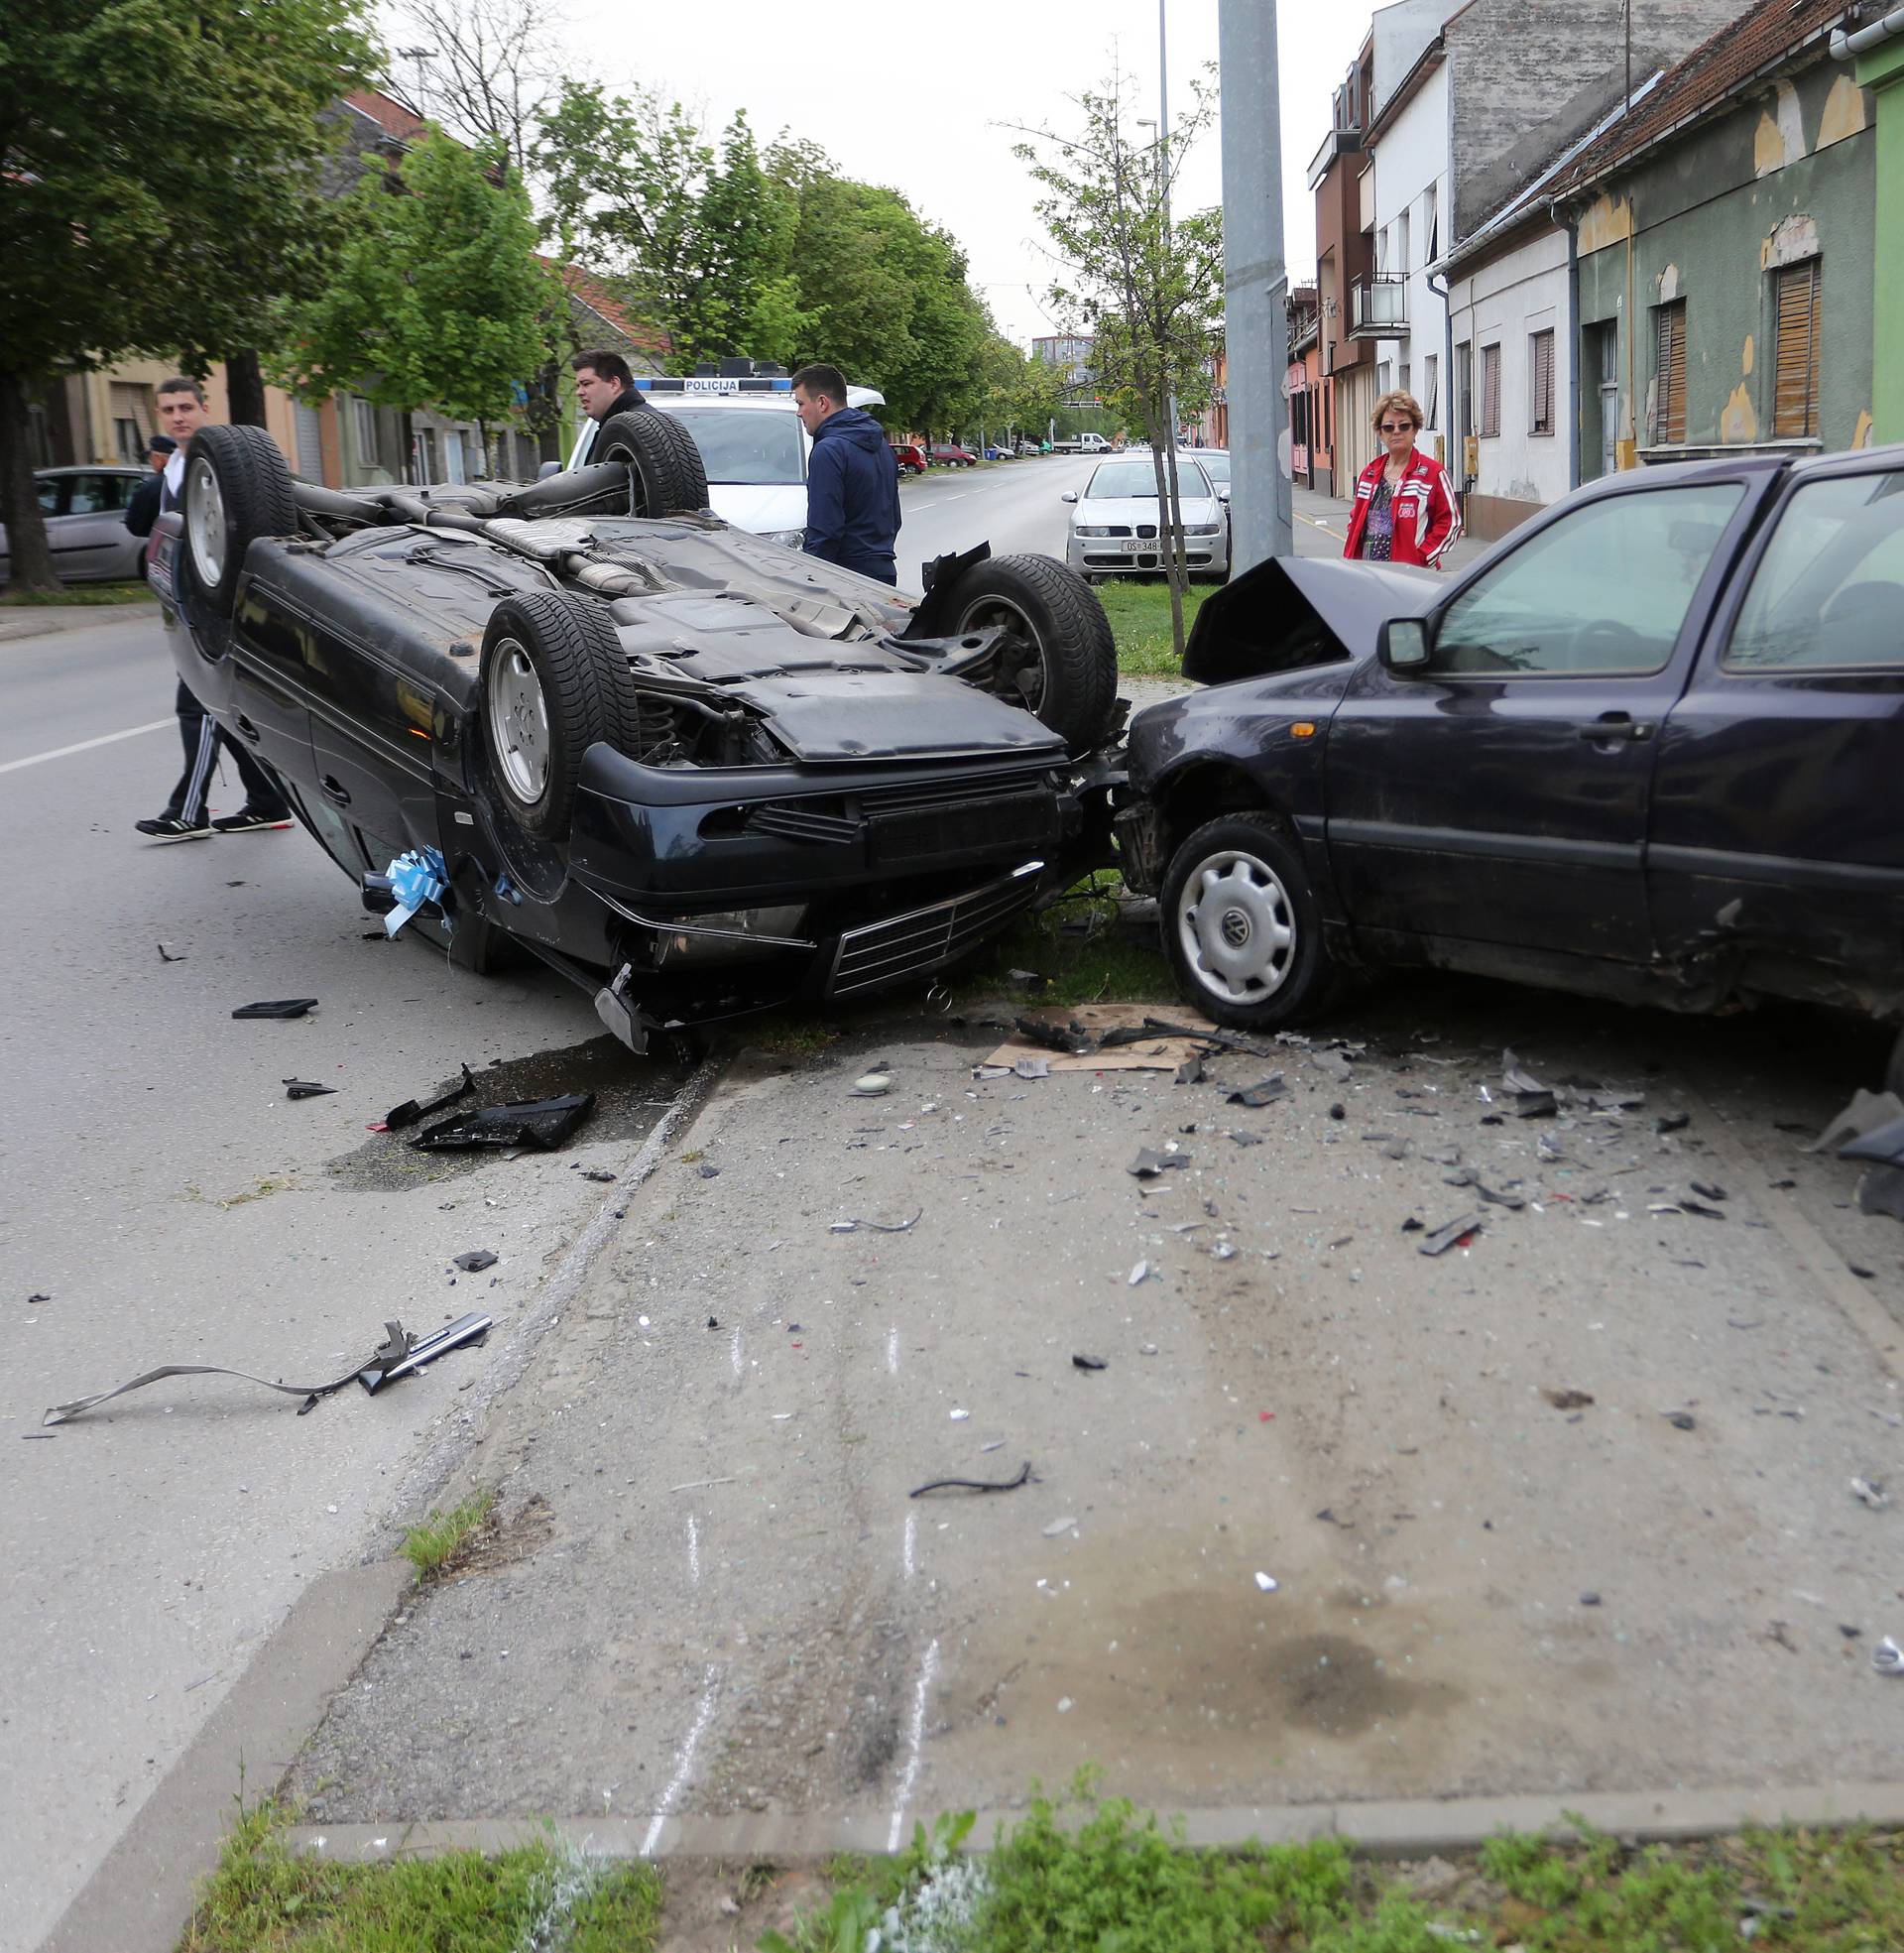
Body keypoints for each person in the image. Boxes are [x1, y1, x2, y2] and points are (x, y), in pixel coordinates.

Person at [135, 376, 294, 842]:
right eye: (169, 410)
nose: (178, 416)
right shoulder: (174, 468)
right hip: (189, 607)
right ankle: (267, 801)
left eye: (186, 407)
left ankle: (188, 809)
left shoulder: (222, 465)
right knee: (217, 704)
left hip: (220, 610)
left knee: (199, 705)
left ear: (204, 408)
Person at [792, 362, 900, 585]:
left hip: (846, 578)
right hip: (884, 571)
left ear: (822, 402)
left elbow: (825, 530)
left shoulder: (828, 451)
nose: (799, 412)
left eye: (801, 403)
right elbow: (893, 517)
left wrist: (810, 582)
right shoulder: (881, 445)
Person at [1342, 389, 1462, 568]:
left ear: (1415, 430)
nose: (1396, 431)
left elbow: (1451, 522)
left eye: (1404, 426)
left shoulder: (1433, 473)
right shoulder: (1369, 473)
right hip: (1369, 574)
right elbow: (1356, 517)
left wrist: (1422, 558)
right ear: (1380, 433)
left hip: (1412, 577)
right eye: (1389, 427)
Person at [567, 348, 642, 467]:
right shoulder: (616, 427)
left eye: (586, 384)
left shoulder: (636, 430)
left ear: (614, 384)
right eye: (578, 386)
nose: (579, 392)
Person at [123, 432, 176, 542]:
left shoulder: (149, 488)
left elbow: (135, 526)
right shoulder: (193, 479)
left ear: (159, 458)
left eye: (151, 458)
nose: (151, 463)